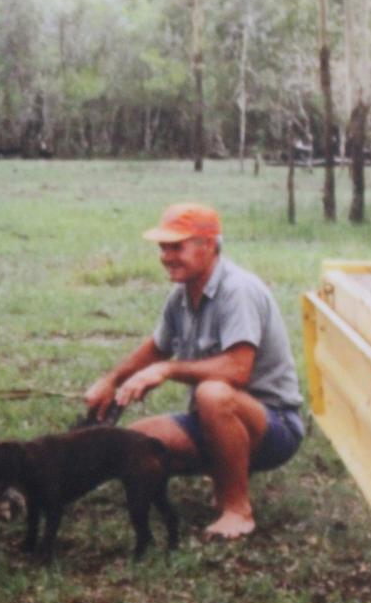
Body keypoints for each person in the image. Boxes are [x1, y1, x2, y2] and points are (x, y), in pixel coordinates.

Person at [83, 203, 303, 539]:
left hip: (274, 426)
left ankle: (236, 509)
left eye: (177, 247)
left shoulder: (238, 290)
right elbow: (157, 347)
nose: (167, 257)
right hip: (211, 420)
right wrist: (112, 380)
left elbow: (237, 370)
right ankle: (224, 467)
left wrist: (167, 371)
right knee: (132, 444)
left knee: (212, 393)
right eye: (163, 247)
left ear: (208, 245)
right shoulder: (182, 294)